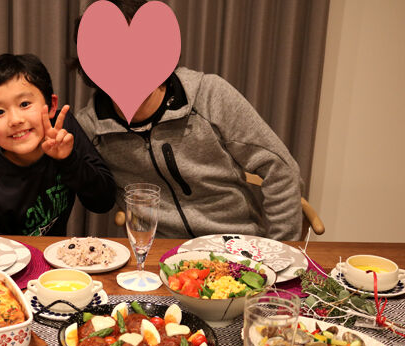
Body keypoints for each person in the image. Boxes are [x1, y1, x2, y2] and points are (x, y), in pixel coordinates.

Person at [72, 0, 303, 240]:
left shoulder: (209, 94)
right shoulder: (90, 128)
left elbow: (280, 169)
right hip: (160, 252)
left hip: (234, 245)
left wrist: (281, 249)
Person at [0, 53, 115, 236]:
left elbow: (103, 201)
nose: (15, 120)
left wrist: (69, 160)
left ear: (51, 106)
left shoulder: (63, 130)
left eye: (24, 104)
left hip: (54, 252)